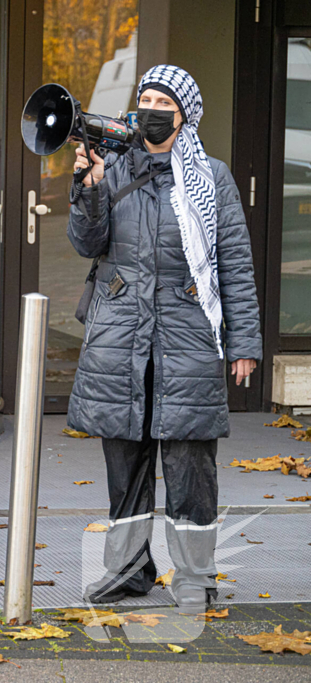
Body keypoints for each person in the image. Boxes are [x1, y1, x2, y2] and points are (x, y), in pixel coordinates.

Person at [67, 65, 261, 612]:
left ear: (184, 116)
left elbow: (235, 266)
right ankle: (128, 572)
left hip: (188, 337)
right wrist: (88, 190)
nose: (149, 108)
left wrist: (244, 341)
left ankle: (196, 577)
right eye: (144, 98)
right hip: (121, 336)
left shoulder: (212, 178)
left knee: (189, 462)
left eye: (161, 101)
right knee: (124, 459)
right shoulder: (112, 167)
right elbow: (87, 244)